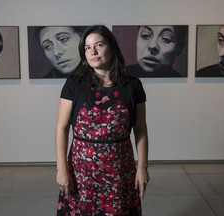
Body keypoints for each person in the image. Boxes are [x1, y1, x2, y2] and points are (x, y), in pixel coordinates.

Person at [55, 25, 150, 215]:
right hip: (81, 173)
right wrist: (61, 168)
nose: (93, 52)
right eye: (87, 48)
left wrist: (142, 167)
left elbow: (140, 129)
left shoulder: (133, 85)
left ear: (112, 47)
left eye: (98, 45)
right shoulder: (74, 84)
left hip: (120, 172)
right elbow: (62, 129)